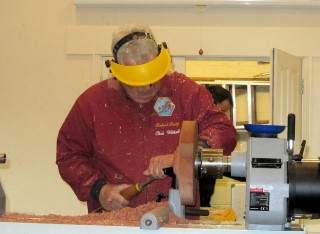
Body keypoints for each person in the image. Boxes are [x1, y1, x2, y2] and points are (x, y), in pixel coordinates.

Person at [56, 24, 237, 214]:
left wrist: (186, 155)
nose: (146, 88)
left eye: (153, 79)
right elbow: (69, 156)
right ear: (117, 73)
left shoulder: (185, 91)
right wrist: (99, 188)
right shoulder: (91, 103)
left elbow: (222, 130)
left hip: (178, 220)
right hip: (113, 222)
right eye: (136, 83)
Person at [199, 85, 234, 207]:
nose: (224, 118)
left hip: (204, 202)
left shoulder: (217, 135)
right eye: (222, 112)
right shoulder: (195, 131)